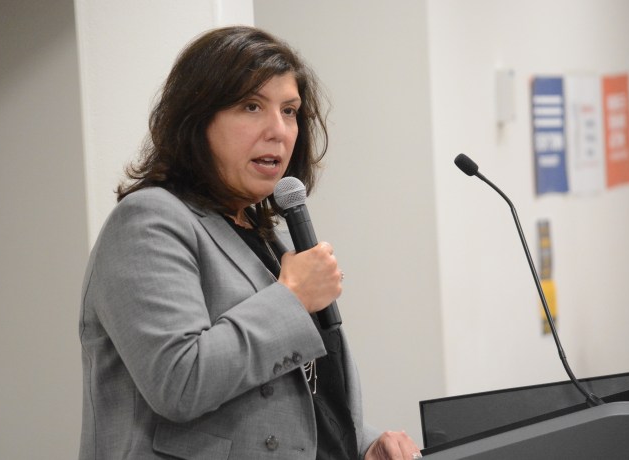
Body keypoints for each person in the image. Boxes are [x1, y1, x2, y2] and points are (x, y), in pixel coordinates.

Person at [78, 25, 421, 460]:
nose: (279, 130)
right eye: (252, 106)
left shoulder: (265, 236)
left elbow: (294, 391)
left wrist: (364, 441)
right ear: (197, 119)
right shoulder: (148, 221)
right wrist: (292, 299)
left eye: (291, 110)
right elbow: (179, 383)